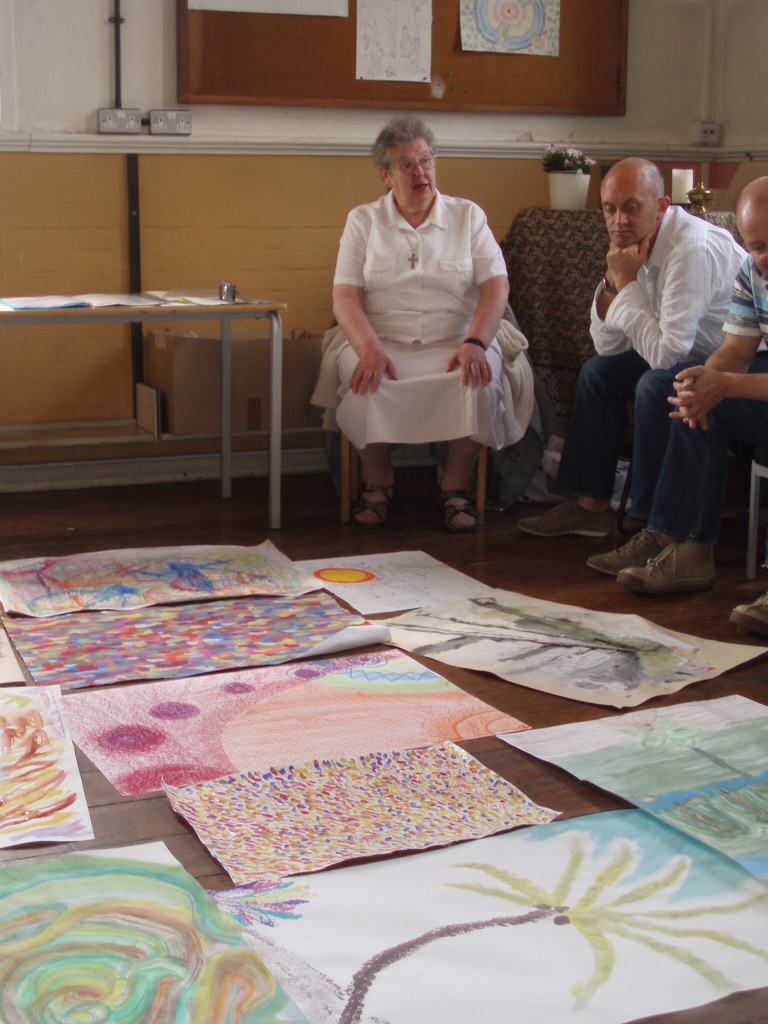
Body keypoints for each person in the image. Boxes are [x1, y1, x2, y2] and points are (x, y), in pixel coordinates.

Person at [517, 158, 746, 575]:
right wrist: (613, 283)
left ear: (661, 206)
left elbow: (667, 355)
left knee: (655, 384)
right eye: (609, 209)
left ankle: (651, 524)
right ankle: (590, 507)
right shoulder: (629, 249)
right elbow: (607, 346)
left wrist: (626, 286)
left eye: (631, 207)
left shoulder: (690, 249)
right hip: (685, 352)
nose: (618, 220)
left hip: (738, 361)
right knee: (598, 374)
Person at [311, 115, 534, 532]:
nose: (421, 173)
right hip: (381, 340)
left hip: (458, 339)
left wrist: (475, 343)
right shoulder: (363, 221)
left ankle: (455, 487)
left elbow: (497, 287)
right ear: (386, 175)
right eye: (407, 164)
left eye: (426, 160)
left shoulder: (468, 217)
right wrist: (369, 348)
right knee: (363, 378)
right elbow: (344, 296)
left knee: (477, 379)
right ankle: (377, 482)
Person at [614, 175, 768, 632]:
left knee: (710, 391)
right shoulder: (752, 273)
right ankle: (688, 549)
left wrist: (726, 385)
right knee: (693, 392)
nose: (765, 258)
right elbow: (735, 350)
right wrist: (706, 380)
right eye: (758, 247)